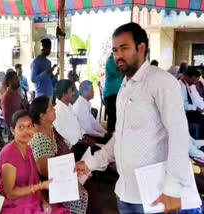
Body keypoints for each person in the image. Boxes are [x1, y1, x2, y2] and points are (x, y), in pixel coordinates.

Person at [76, 22, 201, 214]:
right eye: (115, 50)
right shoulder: (125, 88)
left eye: (124, 48)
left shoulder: (161, 82)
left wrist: (173, 189)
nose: (118, 55)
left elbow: (179, 136)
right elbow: (120, 137)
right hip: (126, 193)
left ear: (141, 48)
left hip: (156, 195)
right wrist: (90, 164)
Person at [29, 96, 103, 214]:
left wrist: (75, 168)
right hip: (54, 185)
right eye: (50, 108)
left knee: (90, 189)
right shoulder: (39, 139)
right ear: (42, 116)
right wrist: (71, 170)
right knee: (89, 196)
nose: (54, 109)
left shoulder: (50, 129)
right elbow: (44, 171)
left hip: (64, 175)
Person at [0, 110, 70, 214]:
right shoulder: (9, 153)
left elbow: (35, 180)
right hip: (13, 206)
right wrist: (40, 186)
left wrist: (43, 202)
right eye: (21, 127)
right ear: (13, 130)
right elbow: (10, 194)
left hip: (32, 200)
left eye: (30, 126)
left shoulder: (28, 149)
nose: (26, 131)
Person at [53, 79, 100, 161]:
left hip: (80, 142)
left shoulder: (69, 107)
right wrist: (82, 142)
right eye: (71, 91)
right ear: (64, 94)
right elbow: (63, 137)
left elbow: (77, 127)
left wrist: (85, 137)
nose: (74, 93)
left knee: (100, 150)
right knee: (99, 153)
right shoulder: (58, 111)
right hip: (71, 150)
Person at [180, 66, 204, 138]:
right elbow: (182, 105)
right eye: (194, 80)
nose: (195, 83)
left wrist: (201, 107)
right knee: (202, 120)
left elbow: (196, 98)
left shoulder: (189, 84)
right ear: (189, 77)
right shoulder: (180, 86)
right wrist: (196, 108)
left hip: (192, 110)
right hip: (184, 113)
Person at [1, 71, 25, 141]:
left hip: (22, 125)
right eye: (16, 79)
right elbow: (7, 119)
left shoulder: (17, 94)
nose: (18, 80)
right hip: (15, 130)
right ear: (9, 81)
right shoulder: (6, 97)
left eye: (18, 78)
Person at [103, 53, 124, 133]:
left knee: (117, 118)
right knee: (112, 118)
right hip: (111, 94)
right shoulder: (111, 61)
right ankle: (109, 139)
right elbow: (119, 72)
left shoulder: (118, 61)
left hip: (117, 94)